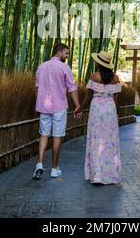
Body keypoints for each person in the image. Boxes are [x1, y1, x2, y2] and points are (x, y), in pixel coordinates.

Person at [33, 43, 82, 180]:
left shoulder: (41, 67)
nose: (67, 56)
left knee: (43, 134)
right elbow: (72, 88)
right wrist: (77, 106)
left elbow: (37, 88)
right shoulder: (64, 67)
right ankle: (54, 169)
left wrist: (39, 104)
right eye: (66, 53)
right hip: (59, 107)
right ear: (59, 52)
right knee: (57, 136)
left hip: (44, 107)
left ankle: (39, 164)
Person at [79, 50, 122, 185]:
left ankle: (97, 176)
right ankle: (111, 175)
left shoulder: (94, 77)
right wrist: (116, 114)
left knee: (96, 140)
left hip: (97, 110)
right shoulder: (115, 78)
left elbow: (88, 96)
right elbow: (116, 99)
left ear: (98, 62)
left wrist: (79, 108)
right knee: (110, 141)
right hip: (110, 110)